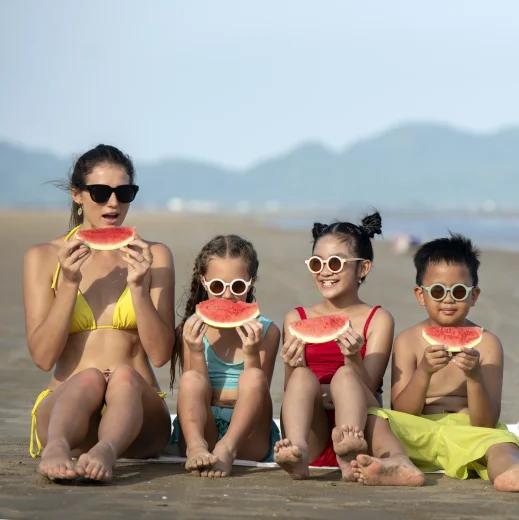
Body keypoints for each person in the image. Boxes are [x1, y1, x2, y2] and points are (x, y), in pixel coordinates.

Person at [23, 144, 176, 482]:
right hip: (66, 413)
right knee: (90, 376)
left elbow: (162, 354)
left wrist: (139, 288)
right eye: (100, 192)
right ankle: (56, 447)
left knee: (122, 375)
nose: (113, 202)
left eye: (124, 192)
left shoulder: (155, 255)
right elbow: (43, 357)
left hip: (139, 420)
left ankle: (107, 449)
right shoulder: (43, 257)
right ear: (77, 194)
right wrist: (69, 284)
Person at [366, 233, 519, 492]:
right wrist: (424, 371)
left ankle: (512, 472)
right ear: (420, 295)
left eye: (457, 291)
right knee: (373, 418)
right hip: (416, 433)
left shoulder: (488, 344)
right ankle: (397, 463)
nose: (447, 299)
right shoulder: (407, 341)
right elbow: (402, 411)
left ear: (473, 296)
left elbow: (486, 422)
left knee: (502, 441)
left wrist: (475, 377)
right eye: (437, 291)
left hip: (469, 433)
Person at [273, 212, 423, 485]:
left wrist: (352, 357)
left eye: (335, 262)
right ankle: (298, 453)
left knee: (345, 376)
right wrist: (290, 364)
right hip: (311, 428)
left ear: (363, 268)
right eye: (316, 263)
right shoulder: (296, 318)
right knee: (303, 376)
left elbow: (370, 385)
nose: (324, 271)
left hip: (360, 428)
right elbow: (291, 389)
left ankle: (354, 459)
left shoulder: (377, 318)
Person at [167, 235, 281, 478]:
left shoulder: (268, 331)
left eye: (238, 286)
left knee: (253, 378)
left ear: (251, 283)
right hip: (202, 425)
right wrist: (195, 349)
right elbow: (195, 391)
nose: (227, 296)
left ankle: (227, 448)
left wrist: (251, 353)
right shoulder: (191, 328)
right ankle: (195, 448)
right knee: (191, 379)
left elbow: (259, 394)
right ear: (204, 282)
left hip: (249, 434)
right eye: (218, 286)